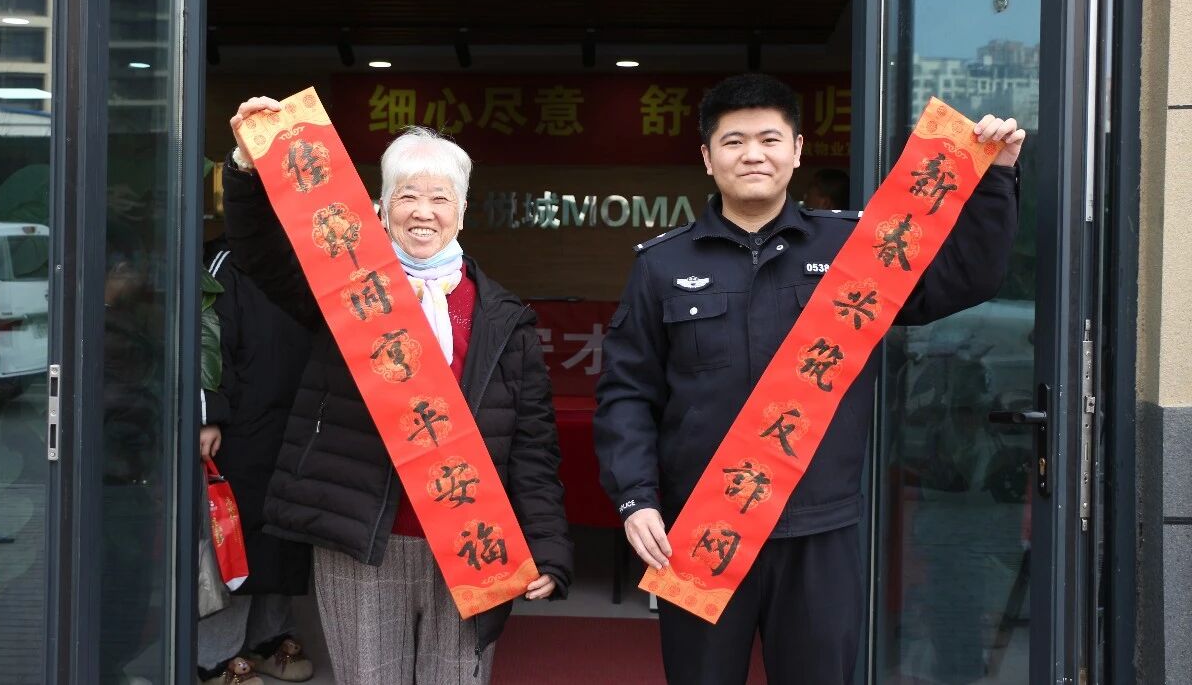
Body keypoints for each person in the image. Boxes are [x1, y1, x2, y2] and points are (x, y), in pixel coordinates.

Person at [593, 73, 1024, 685]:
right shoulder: (663, 264)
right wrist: (637, 498)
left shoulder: (854, 248)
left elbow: (965, 278)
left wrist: (996, 178)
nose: (753, 154)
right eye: (734, 141)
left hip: (820, 529)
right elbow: (627, 393)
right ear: (707, 158)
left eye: (769, 139)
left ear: (796, 151)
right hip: (704, 526)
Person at [221, 103, 573, 685]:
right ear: (381, 208)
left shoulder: (505, 319)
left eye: (440, 198)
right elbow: (259, 252)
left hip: (468, 537)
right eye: (407, 196)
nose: (423, 212)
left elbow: (533, 447)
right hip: (362, 537)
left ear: (462, 211)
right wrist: (245, 165)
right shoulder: (346, 292)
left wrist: (548, 546)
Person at [196, 239, 317, 685]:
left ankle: (269, 638)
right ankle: (215, 657)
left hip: (298, 419)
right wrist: (209, 413)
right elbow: (205, 335)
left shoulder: (311, 254)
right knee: (234, 537)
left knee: (285, 533)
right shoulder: (228, 261)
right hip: (239, 424)